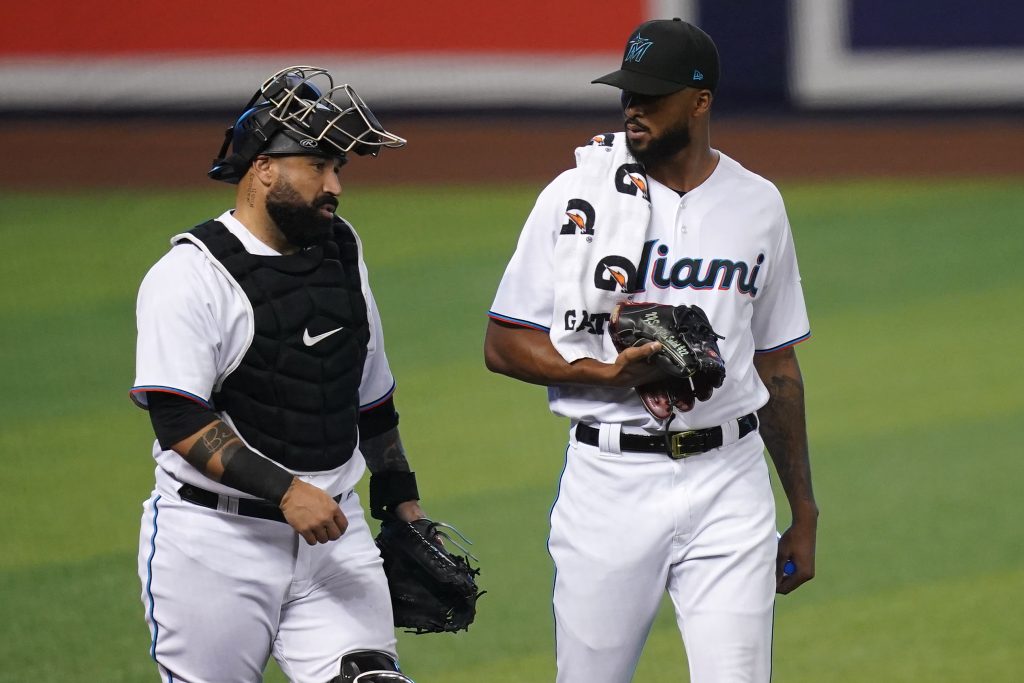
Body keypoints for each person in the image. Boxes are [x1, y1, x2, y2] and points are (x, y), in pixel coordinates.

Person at [484, 19, 818, 683]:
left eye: (651, 96)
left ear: (700, 102)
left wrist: (803, 509)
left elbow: (777, 365)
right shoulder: (572, 197)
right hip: (609, 482)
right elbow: (503, 342)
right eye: (626, 94)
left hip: (731, 478)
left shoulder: (759, 205)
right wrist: (604, 373)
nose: (633, 108)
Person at [131, 66, 421, 683]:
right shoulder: (190, 275)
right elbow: (178, 415)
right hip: (215, 543)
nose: (335, 184)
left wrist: (401, 501)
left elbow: (368, 394)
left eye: (338, 167)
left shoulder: (341, 249)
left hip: (335, 538)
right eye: (318, 165)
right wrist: (288, 492)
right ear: (263, 168)